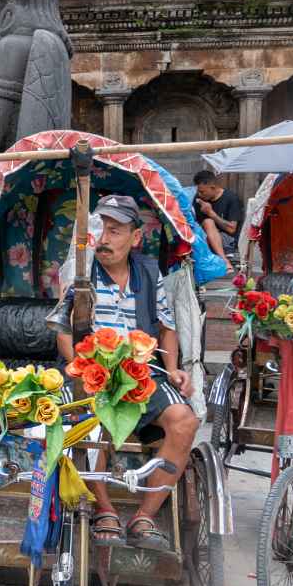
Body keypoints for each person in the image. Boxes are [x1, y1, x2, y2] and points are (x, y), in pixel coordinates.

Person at [56, 194, 198, 551]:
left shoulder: (151, 273)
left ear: (135, 238)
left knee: (185, 421)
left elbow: (166, 326)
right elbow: (62, 329)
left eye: (115, 230)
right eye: (101, 229)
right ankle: (103, 508)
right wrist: (81, 366)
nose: (104, 238)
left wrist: (173, 370)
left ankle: (145, 514)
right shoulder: (81, 274)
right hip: (92, 372)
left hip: (143, 371)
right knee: (95, 417)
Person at [193, 170, 242, 270]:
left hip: (227, 240)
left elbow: (232, 229)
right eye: (198, 191)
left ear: (213, 187)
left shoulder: (231, 198)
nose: (199, 194)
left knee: (208, 221)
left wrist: (211, 213)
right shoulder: (199, 199)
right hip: (205, 238)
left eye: (202, 191)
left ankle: (223, 260)